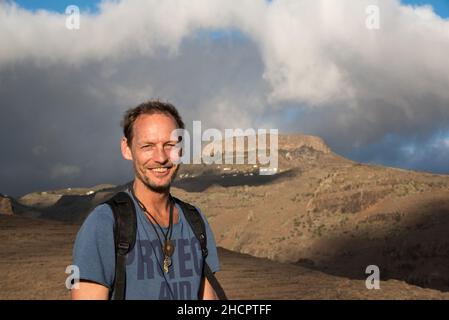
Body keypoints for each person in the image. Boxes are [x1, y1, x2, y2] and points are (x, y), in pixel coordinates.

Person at [71, 100, 220, 300]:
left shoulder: (195, 221)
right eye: (148, 146)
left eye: (170, 145)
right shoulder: (105, 223)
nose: (160, 157)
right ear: (127, 148)